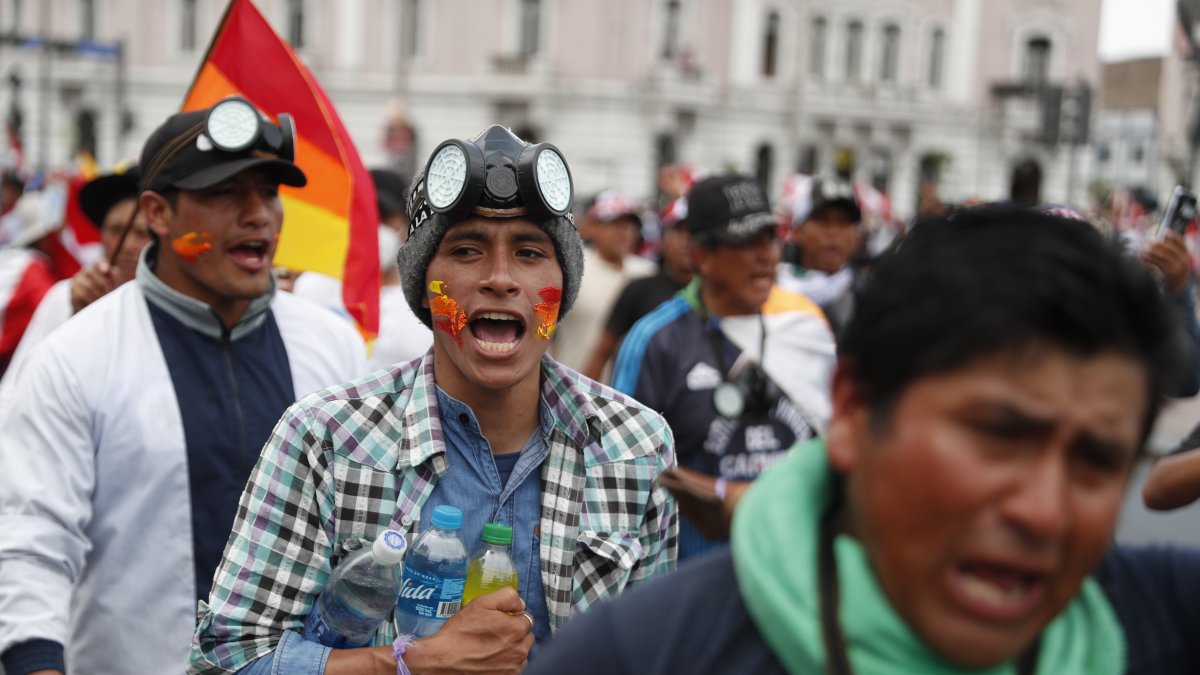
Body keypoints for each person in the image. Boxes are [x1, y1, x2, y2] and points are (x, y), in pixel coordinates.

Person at [528, 206, 1188, 675]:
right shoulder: (637, 654)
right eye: (997, 437)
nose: (1043, 509)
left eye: (1097, 460)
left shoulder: (1163, 622)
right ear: (855, 408)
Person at [189, 125, 677, 675]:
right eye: (466, 250)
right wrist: (409, 665)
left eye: (529, 252)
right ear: (423, 286)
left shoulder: (634, 446)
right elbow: (226, 662)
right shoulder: (327, 438)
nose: (499, 278)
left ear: (562, 285)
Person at [0, 98, 366, 675]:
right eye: (225, 194)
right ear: (158, 214)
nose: (258, 216)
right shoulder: (75, 358)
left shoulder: (332, 346)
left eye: (268, 193)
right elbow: (31, 541)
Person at [612, 174, 836, 561]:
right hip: (693, 587)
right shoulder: (656, 340)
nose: (767, 256)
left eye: (770, 238)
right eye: (747, 242)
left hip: (794, 579)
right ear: (702, 256)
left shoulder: (806, 329)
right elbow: (619, 475)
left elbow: (838, 453)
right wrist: (725, 497)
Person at [0, 167, 151, 402]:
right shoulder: (63, 296)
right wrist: (76, 314)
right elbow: (15, 391)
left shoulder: (174, 305)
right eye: (116, 230)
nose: (128, 245)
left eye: (143, 233)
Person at [582, 196, 693, 381]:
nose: (687, 239)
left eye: (628, 225)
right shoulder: (574, 269)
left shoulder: (643, 269)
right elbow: (601, 353)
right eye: (679, 231)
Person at [548, 189, 655, 373]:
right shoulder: (571, 269)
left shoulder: (647, 273)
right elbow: (542, 332)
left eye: (630, 224)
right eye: (614, 223)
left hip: (629, 395)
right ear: (591, 226)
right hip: (574, 389)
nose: (624, 231)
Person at [777, 174, 864, 338]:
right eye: (822, 220)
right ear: (797, 231)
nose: (833, 232)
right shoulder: (765, 292)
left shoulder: (868, 300)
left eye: (844, 222)